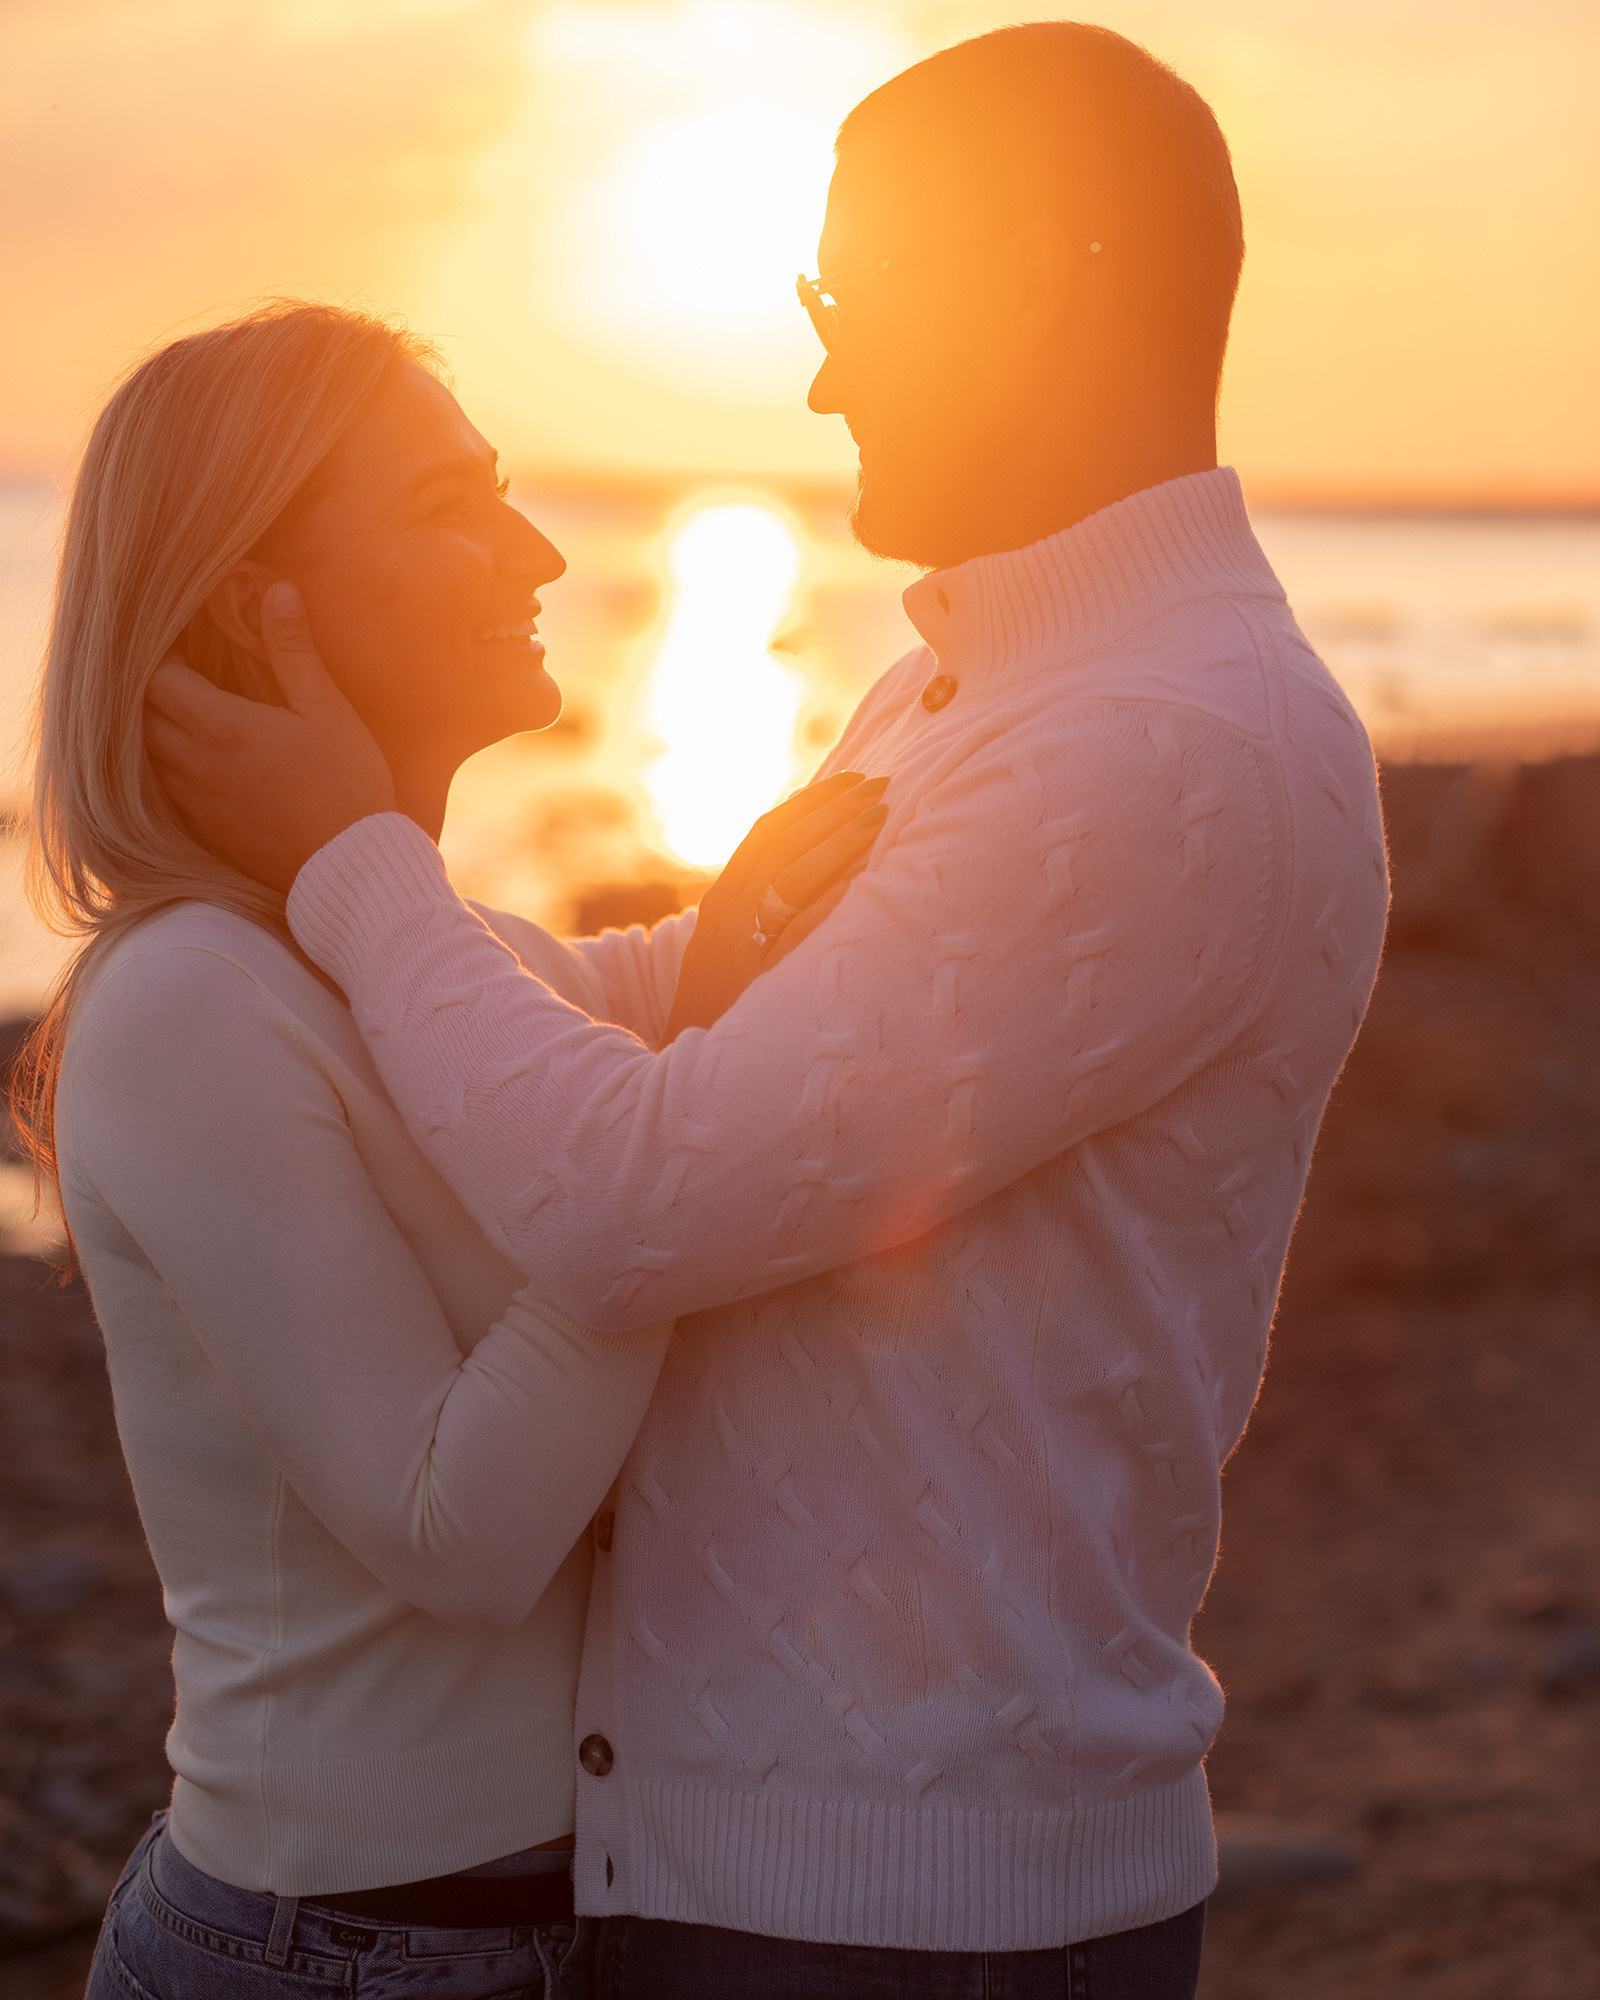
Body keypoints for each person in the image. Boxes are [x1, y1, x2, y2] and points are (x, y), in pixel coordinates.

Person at [146, 23, 1392, 2000]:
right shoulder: (990, 683)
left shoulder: (1166, 746)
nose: (818, 370)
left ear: (1019, 284)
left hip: (904, 1903)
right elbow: (716, 1021)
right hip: (795, 1865)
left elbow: (637, 1199)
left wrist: (348, 863)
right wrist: (276, 960)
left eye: (843, 297)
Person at [16, 299, 880, 2000]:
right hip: (332, 1958)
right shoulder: (192, 1001)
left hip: (550, 1929)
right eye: (449, 505)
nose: (542, 551)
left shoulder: (441, 953)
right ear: (257, 612)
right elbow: (453, 1532)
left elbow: (672, 998)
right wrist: (659, 1189)